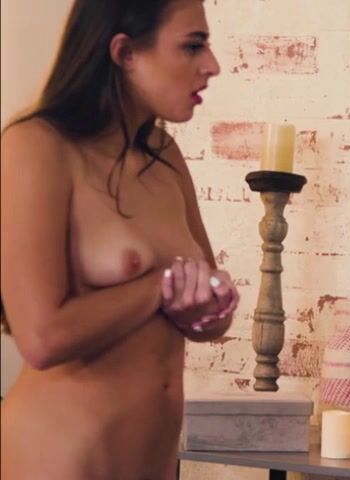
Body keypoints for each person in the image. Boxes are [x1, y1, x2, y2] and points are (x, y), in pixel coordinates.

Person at [0, 0, 239, 478]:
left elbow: (205, 319)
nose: (211, 65)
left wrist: (208, 305)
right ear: (125, 52)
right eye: (192, 46)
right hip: (61, 462)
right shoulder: (36, 145)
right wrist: (158, 287)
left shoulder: (164, 155)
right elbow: (41, 338)